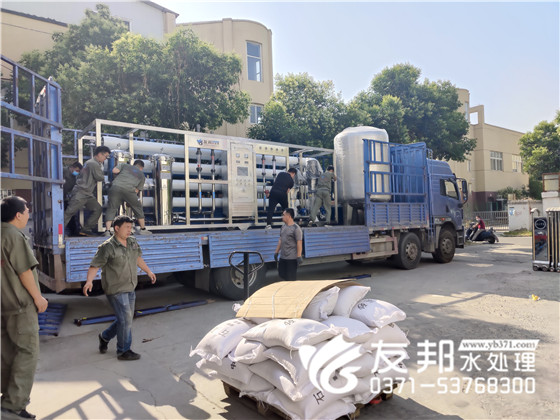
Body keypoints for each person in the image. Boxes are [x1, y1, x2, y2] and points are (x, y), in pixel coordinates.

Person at [1, 196, 49, 420]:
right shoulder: (13, 235)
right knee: (27, 352)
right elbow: (24, 271)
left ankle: (7, 399)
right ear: (18, 215)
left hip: (3, 305)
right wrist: (38, 298)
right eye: (27, 209)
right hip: (19, 306)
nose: (29, 212)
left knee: (7, 353)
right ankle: (13, 406)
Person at [83, 215, 156, 361]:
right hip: (115, 289)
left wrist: (148, 271)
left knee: (126, 319)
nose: (130, 230)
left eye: (131, 227)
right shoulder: (107, 247)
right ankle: (123, 351)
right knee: (125, 319)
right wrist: (89, 281)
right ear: (117, 228)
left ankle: (104, 337)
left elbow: (137, 258)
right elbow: (95, 265)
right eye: (127, 227)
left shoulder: (132, 241)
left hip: (130, 286)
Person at [64, 146, 111, 236]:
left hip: (87, 194)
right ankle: (58, 232)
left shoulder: (90, 163)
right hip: (81, 192)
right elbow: (99, 177)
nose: (105, 159)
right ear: (99, 154)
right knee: (69, 212)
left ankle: (86, 229)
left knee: (97, 209)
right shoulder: (93, 163)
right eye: (105, 156)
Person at [104, 160, 151, 236]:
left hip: (115, 187)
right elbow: (136, 190)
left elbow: (114, 171)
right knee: (138, 207)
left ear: (134, 164)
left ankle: (107, 231)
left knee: (111, 208)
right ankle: (143, 229)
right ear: (141, 168)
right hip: (129, 190)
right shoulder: (142, 175)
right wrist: (130, 201)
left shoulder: (124, 165)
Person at [274, 208, 303, 281]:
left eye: (283, 215)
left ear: (289, 216)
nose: (282, 217)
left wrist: (299, 256)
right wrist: (276, 252)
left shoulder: (296, 228)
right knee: (282, 276)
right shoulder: (283, 227)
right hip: (283, 258)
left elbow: (299, 242)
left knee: (290, 280)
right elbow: (280, 240)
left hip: (291, 259)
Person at [63, 161, 83, 236]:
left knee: (71, 215)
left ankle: (74, 232)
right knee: (67, 214)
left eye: (78, 171)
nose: (77, 172)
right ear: (72, 167)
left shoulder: (74, 177)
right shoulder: (64, 171)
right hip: (59, 196)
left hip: (65, 197)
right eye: (76, 170)